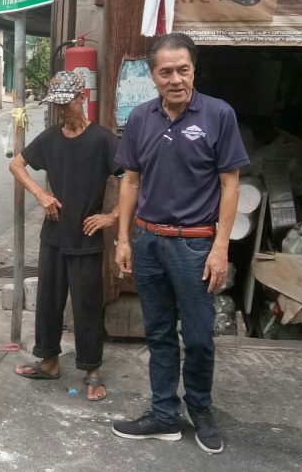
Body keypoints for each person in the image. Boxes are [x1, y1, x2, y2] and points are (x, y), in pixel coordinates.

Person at [111, 33, 248, 454]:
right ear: (152, 76)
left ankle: (201, 410)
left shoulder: (219, 115)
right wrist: (123, 239)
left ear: (194, 70)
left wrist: (221, 247)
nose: (175, 79)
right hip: (148, 241)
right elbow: (130, 180)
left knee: (200, 336)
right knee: (159, 334)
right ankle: (165, 415)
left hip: (194, 246)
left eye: (183, 70)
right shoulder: (140, 118)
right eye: (166, 71)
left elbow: (230, 184)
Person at [8, 71, 118, 401]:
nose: (60, 111)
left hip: (86, 237)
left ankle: (92, 370)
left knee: (87, 305)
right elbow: (16, 165)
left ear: (82, 98)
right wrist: (41, 195)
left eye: (65, 104)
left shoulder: (103, 140)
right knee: (48, 301)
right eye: (55, 105)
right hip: (54, 234)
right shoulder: (50, 138)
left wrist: (111, 216)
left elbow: (133, 178)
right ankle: (49, 361)